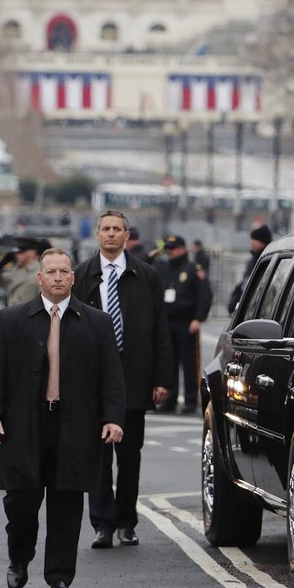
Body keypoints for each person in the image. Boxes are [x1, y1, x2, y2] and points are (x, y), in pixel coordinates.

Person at [0, 248, 125, 588]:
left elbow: (111, 377)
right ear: (39, 278)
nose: (58, 277)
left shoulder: (96, 322)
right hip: (23, 427)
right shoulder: (12, 320)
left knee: (66, 504)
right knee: (21, 503)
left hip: (74, 427)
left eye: (64, 271)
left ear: (73, 278)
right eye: (51, 271)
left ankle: (59, 576)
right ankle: (19, 558)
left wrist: (113, 418)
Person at [73, 210, 174, 549]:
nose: (111, 234)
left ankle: (126, 522)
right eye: (105, 229)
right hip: (93, 382)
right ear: (97, 234)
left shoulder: (145, 275)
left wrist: (162, 378)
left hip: (134, 378)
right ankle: (102, 523)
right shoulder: (82, 275)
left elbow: (161, 328)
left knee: (129, 457)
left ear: (127, 235)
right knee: (98, 458)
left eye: (117, 229)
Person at [155, 235, 212, 413]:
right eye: (168, 249)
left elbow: (205, 295)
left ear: (181, 249)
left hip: (186, 321)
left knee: (188, 363)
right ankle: (169, 399)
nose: (170, 252)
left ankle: (190, 400)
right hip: (167, 321)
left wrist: (198, 318)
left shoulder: (193, 269)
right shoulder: (163, 268)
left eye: (173, 249)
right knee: (168, 363)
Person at [227, 224, 273, 314]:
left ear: (262, 241)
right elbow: (245, 284)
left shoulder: (267, 262)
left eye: (254, 239)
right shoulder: (253, 261)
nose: (251, 242)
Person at [0, 237, 42, 306]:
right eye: (16, 253)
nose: (17, 255)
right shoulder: (15, 269)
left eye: (20, 252)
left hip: (29, 314)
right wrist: (0, 265)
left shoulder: (40, 271)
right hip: (13, 313)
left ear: (31, 253)